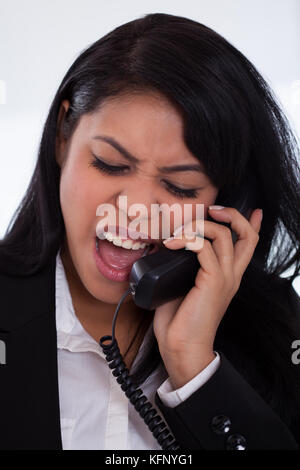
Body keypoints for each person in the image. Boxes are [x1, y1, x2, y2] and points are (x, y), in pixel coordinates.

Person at [0, 12, 300, 450]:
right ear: (63, 137)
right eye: (110, 164)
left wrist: (195, 369)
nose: (136, 211)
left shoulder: (280, 328)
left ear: (226, 203)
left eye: (181, 187)